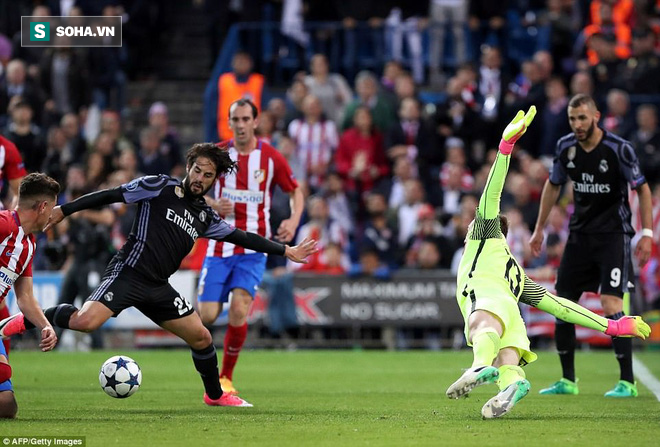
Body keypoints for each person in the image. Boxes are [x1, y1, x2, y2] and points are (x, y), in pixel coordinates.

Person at [0, 144, 316, 408]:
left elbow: (243, 237)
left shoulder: (205, 217)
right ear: (188, 167)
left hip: (158, 287)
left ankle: (215, 395)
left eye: (208, 175)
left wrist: (285, 251)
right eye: (197, 171)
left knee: (202, 337)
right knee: (85, 322)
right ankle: (17, 323)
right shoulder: (159, 186)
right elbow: (112, 195)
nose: (200, 178)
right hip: (128, 273)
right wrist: (66, 210)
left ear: (214, 180)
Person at [446, 106, 651, 419]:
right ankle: (511, 383)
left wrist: (505, 147)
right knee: (508, 357)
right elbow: (560, 306)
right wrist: (612, 325)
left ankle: (477, 366)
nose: (470, 223)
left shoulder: (482, 238)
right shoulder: (516, 273)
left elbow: (490, 195)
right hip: (511, 311)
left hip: (486, 299)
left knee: (480, 325)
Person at [529, 94, 653, 398]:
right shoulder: (565, 147)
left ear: (596, 116)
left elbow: (643, 188)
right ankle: (567, 380)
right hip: (580, 237)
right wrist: (539, 228)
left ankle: (627, 382)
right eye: (573, 119)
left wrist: (647, 232)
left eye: (582, 118)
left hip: (613, 236)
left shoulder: (618, 148)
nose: (577, 124)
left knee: (611, 305)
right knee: (563, 304)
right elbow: (553, 184)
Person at [199, 99, 304, 396]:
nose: (241, 124)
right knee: (206, 316)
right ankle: (208, 365)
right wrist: (212, 203)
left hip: (253, 249)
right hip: (220, 246)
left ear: (255, 122)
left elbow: (296, 191)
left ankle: (225, 377)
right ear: (229, 122)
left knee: (239, 309)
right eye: (236, 119)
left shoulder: (270, 157)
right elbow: (189, 188)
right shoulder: (217, 155)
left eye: (246, 119)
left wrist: (294, 221)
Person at [0, 173, 60, 418]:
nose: (52, 216)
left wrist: (46, 326)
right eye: (52, 208)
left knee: (7, 406)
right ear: (43, 207)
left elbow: (25, 297)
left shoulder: (29, 245)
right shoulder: (4, 224)